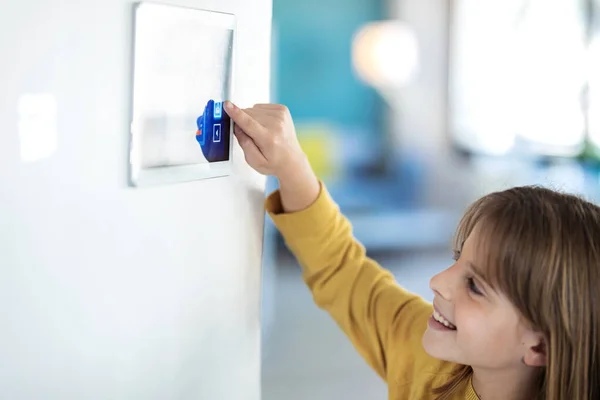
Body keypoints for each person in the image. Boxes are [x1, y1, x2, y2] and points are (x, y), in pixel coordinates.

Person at [223, 101, 600, 400]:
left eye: (475, 286)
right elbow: (345, 271)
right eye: (457, 260)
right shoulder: (428, 361)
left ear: (540, 345)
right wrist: (292, 167)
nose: (437, 281)